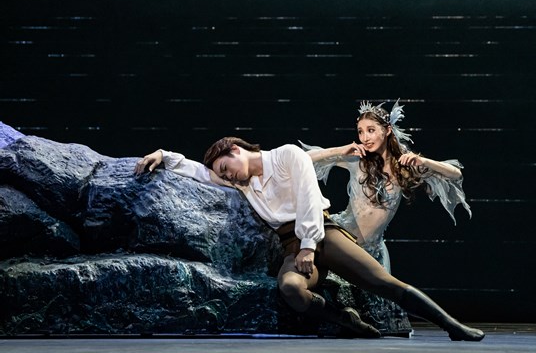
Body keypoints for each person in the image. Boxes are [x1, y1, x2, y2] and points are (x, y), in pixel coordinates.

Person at [134, 135, 485, 342]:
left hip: (323, 235)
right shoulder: (244, 184)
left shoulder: (287, 155)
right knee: (290, 288)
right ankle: (345, 320)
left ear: (235, 149)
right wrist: (164, 156)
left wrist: (307, 246)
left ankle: (452, 325)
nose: (229, 178)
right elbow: (200, 171)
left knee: (383, 282)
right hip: (292, 245)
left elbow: (308, 200)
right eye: (224, 176)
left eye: (226, 169)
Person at [300, 100, 471, 273]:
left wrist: (424, 161)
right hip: (342, 239)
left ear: (387, 130)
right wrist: (339, 150)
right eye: (360, 132)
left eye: (371, 130)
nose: (365, 138)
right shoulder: (356, 160)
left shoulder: (405, 166)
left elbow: (456, 174)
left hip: (372, 251)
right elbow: (303, 158)